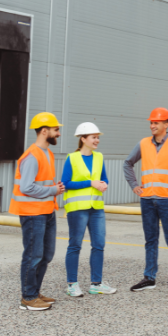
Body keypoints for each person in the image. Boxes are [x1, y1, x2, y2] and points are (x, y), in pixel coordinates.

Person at [123, 108, 168, 294]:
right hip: (147, 199)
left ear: (166, 124)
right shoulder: (143, 144)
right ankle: (149, 278)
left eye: (156, 122)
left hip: (167, 200)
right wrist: (134, 185)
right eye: (151, 122)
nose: (152, 125)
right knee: (150, 240)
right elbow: (128, 163)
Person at [11, 112, 65, 311]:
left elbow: (41, 183)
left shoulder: (47, 153)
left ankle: (34, 291)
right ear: (44, 131)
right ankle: (28, 297)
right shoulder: (32, 156)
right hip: (33, 213)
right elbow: (26, 187)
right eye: (56, 129)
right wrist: (53, 190)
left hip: (46, 211)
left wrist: (54, 188)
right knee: (33, 255)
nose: (58, 133)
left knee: (45, 255)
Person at [61, 122, 116, 297]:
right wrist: (91, 183)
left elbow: (104, 178)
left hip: (96, 208)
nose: (97, 140)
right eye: (94, 137)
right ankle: (72, 284)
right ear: (83, 139)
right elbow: (66, 183)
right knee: (75, 246)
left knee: (99, 245)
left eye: (98, 137)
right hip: (77, 209)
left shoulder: (99, 157)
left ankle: (96, 284)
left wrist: (103, 184)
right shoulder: (72, 158)